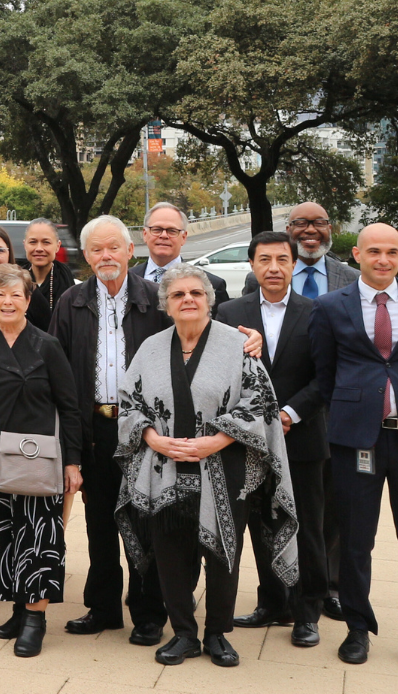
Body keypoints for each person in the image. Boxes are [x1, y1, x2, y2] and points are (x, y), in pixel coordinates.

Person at [115, 264, 296, 668]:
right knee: (170, 553)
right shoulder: (151, 348)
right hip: (163, 467)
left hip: (225, 469)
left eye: (196, 293)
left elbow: (261, 404)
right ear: (166, 305)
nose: (188, 300)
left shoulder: (238, 345)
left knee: (222, 554)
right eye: (178, 295)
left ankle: (217, 634)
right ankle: (183, 633)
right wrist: (152, 438)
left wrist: (218, 439)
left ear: (209, 301)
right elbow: (128, 403)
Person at [311, 222, 398, 672]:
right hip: (355, 441)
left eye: (391, 251)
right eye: (374, 252)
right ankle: (356, 627)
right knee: (353, 541)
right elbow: (324, 374)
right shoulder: (331, 306)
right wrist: (357, 408)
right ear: (357, 254)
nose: (383, 259)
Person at [0, 265, 83, 658]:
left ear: (28, 301)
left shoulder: (46, 345)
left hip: (38, 461)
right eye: (0, 295)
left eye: (17, 296)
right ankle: (16, 608)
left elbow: (69, 407)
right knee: (4, 539)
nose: (8, 302)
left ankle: (36, 620)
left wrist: (72, 463)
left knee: (39, 540)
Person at [49, 214, 169, 644]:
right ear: (86, 255)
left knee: (143, 522)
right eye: (96, 249)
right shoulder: (71, 301)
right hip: (93, 429)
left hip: (143, 432)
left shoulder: (156, 299)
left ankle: (148, 612)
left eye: (113, 247)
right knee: (99, 524)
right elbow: (59, 373)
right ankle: (102, 609)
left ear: (130, 250)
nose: (106, 256)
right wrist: (69, 446)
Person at [218, 233, 327, 647]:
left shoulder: (317, 312)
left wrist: (288, 413)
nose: (274, 268)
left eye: (283, 259)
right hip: (248, 443)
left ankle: (306, 612)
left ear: (294, 264)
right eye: (265, 260)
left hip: (301, 439)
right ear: (252, 265)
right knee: (260, 523)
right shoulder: (230, 312)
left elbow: (326, 376)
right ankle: (272, 603)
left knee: (304, 526)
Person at [245, 201, 360, 298]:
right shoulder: (257, 280)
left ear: (329, 229)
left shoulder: (353, 279)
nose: (311, 230)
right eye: (301, 223)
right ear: (288, 230)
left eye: (319, 223)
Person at [131, 203, 231, 307]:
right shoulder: (126, 281)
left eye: (172, 231)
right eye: (157, 230)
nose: (164, 235)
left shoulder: (212, 284)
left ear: (183, 237)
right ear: (145, 234)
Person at [20, 219, 74, 332]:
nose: (39, 248)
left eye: (46, 242)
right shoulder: (17, 280)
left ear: (58, 246)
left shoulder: (68, 282)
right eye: (33, 242)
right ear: (25, 245)